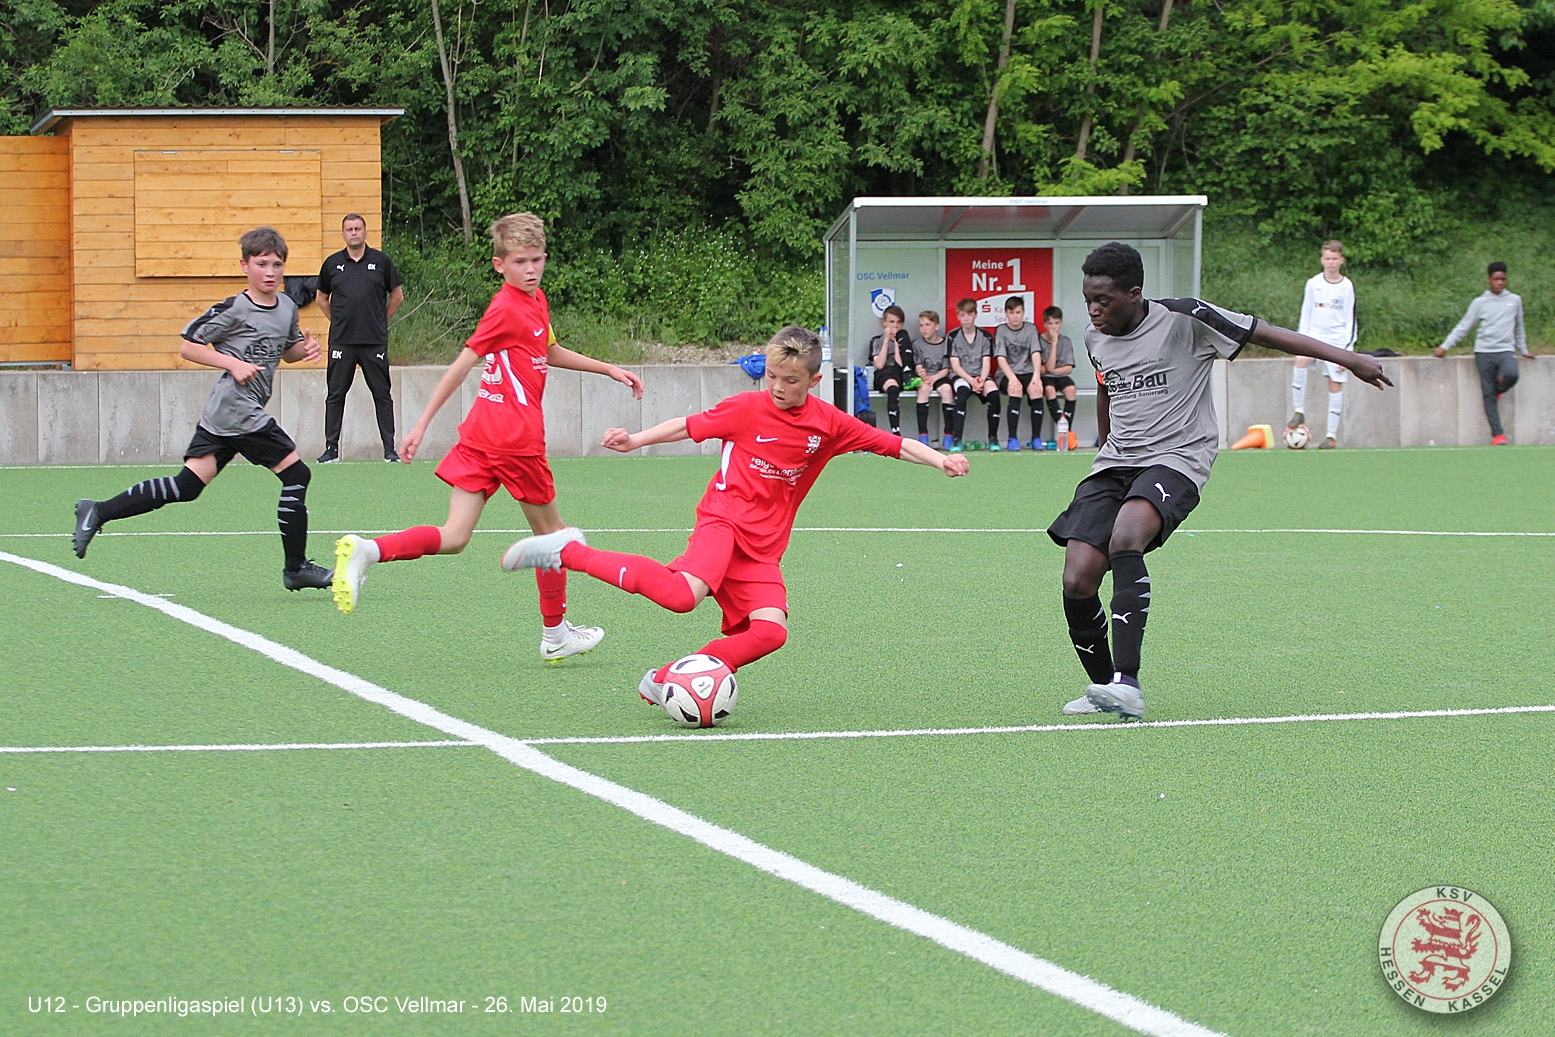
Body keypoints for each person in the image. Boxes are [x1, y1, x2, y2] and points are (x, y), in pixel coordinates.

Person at [501, 324, 968, 706]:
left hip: (762, 547)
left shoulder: (828, 423)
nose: (778, 388)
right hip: (723, 521)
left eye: (791, 381)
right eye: (772, 377)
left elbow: (891, 444)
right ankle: (568, 552)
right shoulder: (747, 409)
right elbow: (688, 426)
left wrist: (940, 459)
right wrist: (636, 440)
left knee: (770, 632)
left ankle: (669, 677)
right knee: (682, 596)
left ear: (813, 381)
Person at [1050, 242, 1391, 721]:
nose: (1093, 310)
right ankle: (1105, 688)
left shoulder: (1186, 319)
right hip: (1116, 462)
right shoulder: (1094, 337)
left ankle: (1128, 682)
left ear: (1134, 293)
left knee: (1126, 535)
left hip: (1177, 458)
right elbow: (1107, 387)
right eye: (1088, 299)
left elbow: (1267, 334)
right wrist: (1104, 449)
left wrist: (1348, 358)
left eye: (1103, 300)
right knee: (1078, 577)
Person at [329, 213, 645, 663]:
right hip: (516, 441)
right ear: (499, 265)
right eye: (519, 262)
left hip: (481, 436)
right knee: (553, 537)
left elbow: (549, 350)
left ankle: (369, 551)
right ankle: (556, 635)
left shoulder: (536, 301)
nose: (530, 269)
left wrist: (607, 368)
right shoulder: (505, 308)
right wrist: (420, 424)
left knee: (455, 536)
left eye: (536, 260)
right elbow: (463, 364)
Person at [71, 228, 333, 591]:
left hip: (224, 415)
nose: (270, 272)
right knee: (297, 474)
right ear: (244, 266)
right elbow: (188, 346)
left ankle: (98, 510)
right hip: (237, 410)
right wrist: (233, 363)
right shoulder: (234, 308)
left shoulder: (287, 307)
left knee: (187, 486)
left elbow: (286, 352)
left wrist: (304, 350)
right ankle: (296, 567)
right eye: (261, 264)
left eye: (277, 264)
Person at [317, 214, 405, 463]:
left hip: (373, 341)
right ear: (343, 234)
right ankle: (331, 450)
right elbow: (321, 298)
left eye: (357, 229)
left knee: (382, 394)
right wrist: (338, 320)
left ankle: (389, 450)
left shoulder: (381, 261)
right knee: (335, 394)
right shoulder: (332, 264)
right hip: (342, 341)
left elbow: (397, 296)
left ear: (365, 232)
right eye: (349, 229)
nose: (354, 233)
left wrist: (380, 321)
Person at [1435, 261, 1535, 445]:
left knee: (1512, 374)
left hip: (1505, 349)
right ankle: (1498, 435)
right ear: (1489, 280)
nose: (1500, 282)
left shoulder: (1514, 300)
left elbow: (1519, 327)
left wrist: (1524, 350)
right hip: (1484, 351)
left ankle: (1499, 389)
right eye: (1496, 279)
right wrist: (1445, 346)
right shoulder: (1480, 303)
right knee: (1488, 395)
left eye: (1503, 279)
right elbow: (1464, 326)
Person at [1288, 239, 1356, 449]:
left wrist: (1347, 352)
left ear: (1341, 260)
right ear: (1322, 260)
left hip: (1337, 340)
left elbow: (1350, 319)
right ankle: (1299, 411)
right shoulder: (1313, 283)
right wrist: (1300, 340)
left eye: (1334, 258)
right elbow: (1306, 313)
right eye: (1327, 258)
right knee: (1301, 360)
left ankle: (1330, 436)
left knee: (1334, 384)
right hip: (1315, 335)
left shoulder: (1346, 286)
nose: (1331, 262)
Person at [945, 298, 998, 452]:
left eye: (969, 314)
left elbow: (986, 362)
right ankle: (957, 440)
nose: (966, 319)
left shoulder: (985, 336)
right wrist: (970, 380)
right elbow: (955, 365)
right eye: (962, 315)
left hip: (981, 376)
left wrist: (981, 380)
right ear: (958, 316)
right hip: (961, 376)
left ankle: (993, 438)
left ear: (975, 314)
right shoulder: (953, 336)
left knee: (994, 396)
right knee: (961, 395)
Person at [993, 296, 1045, 452]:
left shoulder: (1031, 329)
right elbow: (1001, 358)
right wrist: (1012, 379)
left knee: (1036, 390)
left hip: (1027, 372)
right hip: (1006, 374)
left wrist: (1036, 377)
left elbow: (1035, 353)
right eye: (1011, 313)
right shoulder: (1001, 330)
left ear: (1023, 312)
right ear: (1006, 313)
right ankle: (1012, 438)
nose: (1015, 316)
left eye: (1018, 312)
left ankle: (1036, 438)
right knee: (1015, 389)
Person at [910, 310, 955, 447]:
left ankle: (948, 435)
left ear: (937, 326)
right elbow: (918, 365)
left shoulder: (946, 344)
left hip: (940, 376)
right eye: (921, 325)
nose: (924, 329)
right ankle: (923, 435)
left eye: (927, 325)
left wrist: (934, 378)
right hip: (926, 378)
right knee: (923, 390)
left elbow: (947, 369)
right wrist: (921, 373)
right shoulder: (917, 344)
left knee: (947, 390)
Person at [867, 305, 914, 436]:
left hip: (898, 372)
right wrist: (887, 340)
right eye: (892, 322)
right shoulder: (876, 340)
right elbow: (879, 364)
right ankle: (895, 430)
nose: (895, 326)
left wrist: (897, 344)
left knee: (897, 384)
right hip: (884, 373)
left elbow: (901, 363)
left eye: (898, 322)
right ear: (885, 322)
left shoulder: (904, 340)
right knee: (893, 389)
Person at [1039, 306, 1078, 449]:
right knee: (1050, 390)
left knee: (1071, 389)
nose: (1054, 327)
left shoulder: (1066, 341)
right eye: (1050, 323)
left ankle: (1066, 432)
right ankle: (1066, 434)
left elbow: (1068, 369)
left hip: (1059, 375)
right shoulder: (1039, 340)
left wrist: (1052, 370)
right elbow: (1047, 369)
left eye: (1056, 323)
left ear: (1061, 323)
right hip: (1046, 378)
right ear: (1045, 324)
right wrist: (1054, 344)